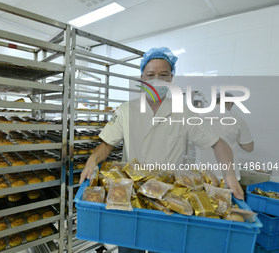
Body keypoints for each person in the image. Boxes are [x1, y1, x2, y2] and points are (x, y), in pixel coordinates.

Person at [79, 47, 244, 253]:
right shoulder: (126, 110)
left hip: (169, 200)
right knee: (130, 248)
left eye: (163, 75)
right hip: (132, 196)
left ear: (171, 78)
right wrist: (92, 160)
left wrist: (230, 176)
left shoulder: (183, 112)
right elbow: (106, 145)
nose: (156, 80)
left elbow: (218, 143)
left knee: (164, 246)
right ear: (142, 77)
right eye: (150, 75)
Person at [195, 92, 254, 180]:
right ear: (230, 103)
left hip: (201, 173)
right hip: (226, 175)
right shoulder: (236, 119)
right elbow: (249, 147)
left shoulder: (199, 116)